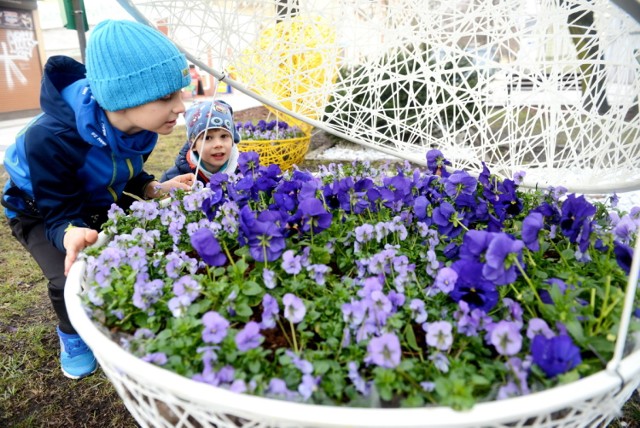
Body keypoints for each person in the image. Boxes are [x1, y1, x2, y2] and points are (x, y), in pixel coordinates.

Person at [1, 19, 196, 379]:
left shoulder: (136, 125)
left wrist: (151, 187)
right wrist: (68, 232)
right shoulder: (51, 138)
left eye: (180, 93)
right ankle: (71, 335)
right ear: (124, 98)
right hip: (39, 211)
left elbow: (125, 169)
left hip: (93, 200)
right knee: (70, 275)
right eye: (167, 97)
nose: (181, 107)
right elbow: (57, 208)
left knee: (126, 253)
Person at [161, 100, 241, 183]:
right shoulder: (174, 179)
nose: (218, 144)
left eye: (224, 136)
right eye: (207, 138)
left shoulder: (246, 171)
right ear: (193, 144)